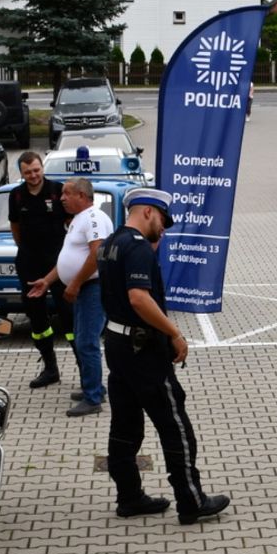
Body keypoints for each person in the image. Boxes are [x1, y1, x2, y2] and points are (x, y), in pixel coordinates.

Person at [97, 187, 229, 524]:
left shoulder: (111, 243)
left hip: (116, 345)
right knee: (174, 425)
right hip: (143, 352)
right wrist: (174, 332)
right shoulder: (138, 247)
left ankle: (129, 497)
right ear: (147, 212)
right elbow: (139, 298)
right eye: (162, 220)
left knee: (124, 425)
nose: (163, 228)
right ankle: (191, 500)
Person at [26, 178, 110, 417]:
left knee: (87, 342)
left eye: (66, 193)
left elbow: (97, 254)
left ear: (82, 196)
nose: (61, 197)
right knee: (84, 340)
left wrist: (74, 283)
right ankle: (94, 388)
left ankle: (93, 398)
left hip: (93, 287)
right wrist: (48, 280)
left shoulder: (93, 217)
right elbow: (70, 256)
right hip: (85, 287)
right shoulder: (79, 220)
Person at [9, 152, 74, 389]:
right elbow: (15, 227)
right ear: (22, 173)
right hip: (29, 264)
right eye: (28, 172)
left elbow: (72, 222)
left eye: (36, 170)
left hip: (59, 264)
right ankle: (50, 368)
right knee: (37, 320)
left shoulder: (58, 191)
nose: (33, 175)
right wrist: (26, 250)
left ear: (42, 168)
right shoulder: (16, 196)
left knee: (69, 316)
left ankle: (85, 369)